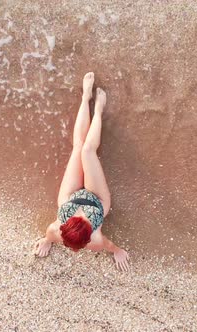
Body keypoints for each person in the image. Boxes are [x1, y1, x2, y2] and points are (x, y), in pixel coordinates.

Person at [34, 72, 130, 271]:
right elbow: (111, 247)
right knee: (88, 151)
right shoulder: (95, 240)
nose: (79, 215)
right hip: (98, 200)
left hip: (70, 197)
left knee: (79, 147)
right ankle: (98, 110)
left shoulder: (54, 230)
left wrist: (46, 241)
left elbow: (48, 235)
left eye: (74, 219)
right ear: (88, 237)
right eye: (83, 221)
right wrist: (118, 251)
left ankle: (86, 97)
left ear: (63, 227)